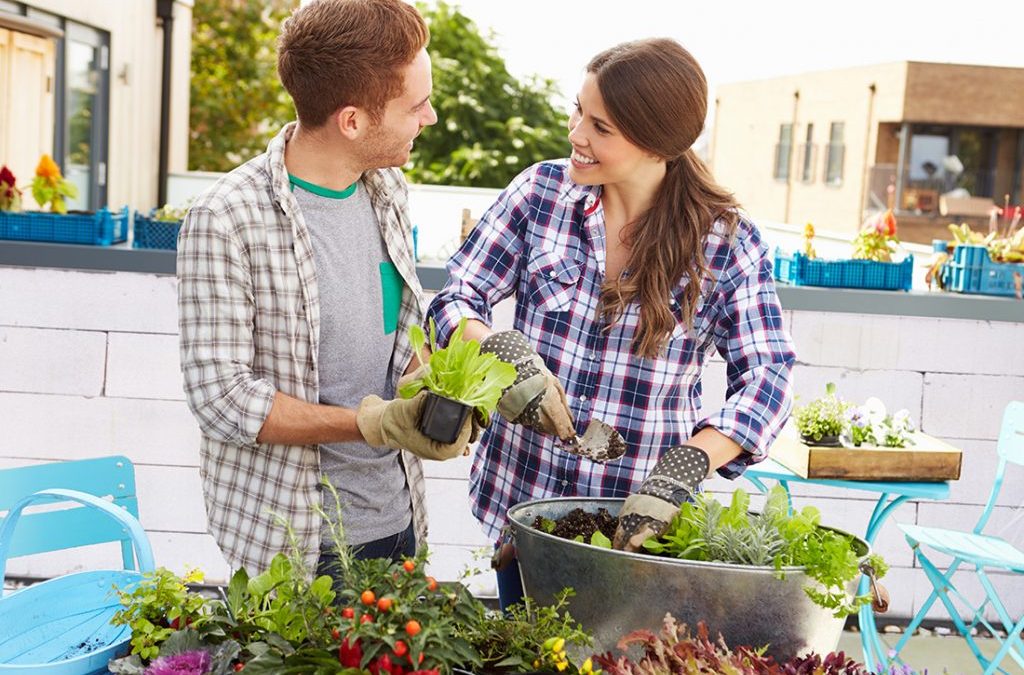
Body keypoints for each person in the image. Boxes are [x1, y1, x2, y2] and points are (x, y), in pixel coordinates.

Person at [425, 38, 796, 607]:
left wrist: (689, 463)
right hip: (522, 511)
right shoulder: (540, 195)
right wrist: (497, 347)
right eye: (578, 110)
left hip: (638, 536)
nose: (576, 134)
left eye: (601, 127)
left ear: (658, 144)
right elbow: (453, 299)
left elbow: (769, 376)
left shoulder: (724, 244)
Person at [177, 0, 475, 580]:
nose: (431, 117)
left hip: (399, 516)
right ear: (353, 120)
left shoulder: (387, 188)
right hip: (296, 541)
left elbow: (395, 337)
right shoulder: (227, 218)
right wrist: (370, 422)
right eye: (416, 105)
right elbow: (222, 399)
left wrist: (444, 388)